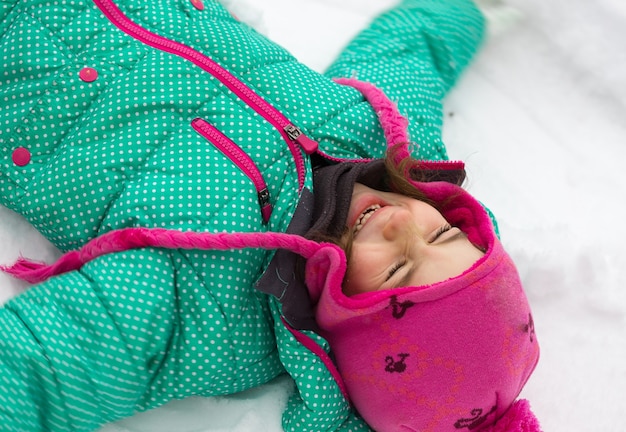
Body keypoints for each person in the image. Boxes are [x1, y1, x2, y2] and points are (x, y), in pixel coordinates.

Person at [0, 0, 540, 431]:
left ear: (345, 323)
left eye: (397, 269)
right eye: (442, 233)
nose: (405, 226)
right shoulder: (384, 136)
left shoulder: (212, 312)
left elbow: (42, 369)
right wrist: (465, 9)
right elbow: (407, 52)